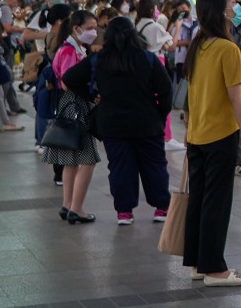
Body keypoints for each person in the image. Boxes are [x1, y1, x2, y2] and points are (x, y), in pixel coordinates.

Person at [179, 0, 241, 286]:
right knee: (217, 202)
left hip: (198, 135)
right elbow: (236, 99)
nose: (237, 8)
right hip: (221, 135)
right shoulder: (227, 49)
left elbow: (190, 96)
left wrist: (189, 130)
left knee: (200, 200)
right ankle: (215, 270)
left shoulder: (199, 45)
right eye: (232, 4)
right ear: (221, 11)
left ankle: (199, 264)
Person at [68, 16, 172, 226]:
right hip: (147, 123)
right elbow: (166, 90)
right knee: (154, 165)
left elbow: (69, 79)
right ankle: (161, 208)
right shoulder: (148, 59)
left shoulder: (99, 59)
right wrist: (159, 115)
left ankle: (124, 212)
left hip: (112, 125)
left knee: (120, 167)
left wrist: (91, 96)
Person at [44, 11, 100, 224]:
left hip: (69, 105)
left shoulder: (74, 48)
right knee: (88, 159)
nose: (93, 32)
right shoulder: (69, 51)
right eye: (89, 28)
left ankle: (67, 205)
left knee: (71, 160)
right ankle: (77, 209)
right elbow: (69, 82)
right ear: (76, 28)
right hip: (76, 106)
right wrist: (91, 96)